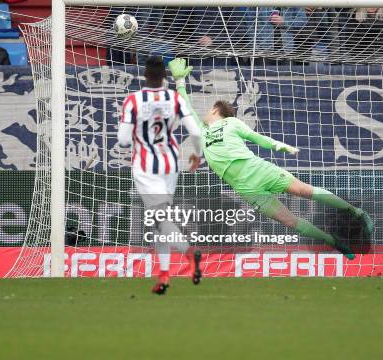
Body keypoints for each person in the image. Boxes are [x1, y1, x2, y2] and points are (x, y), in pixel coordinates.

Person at [169, 58, 374, 260]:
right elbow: (185, 108)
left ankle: (356, 212)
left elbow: (257, 138)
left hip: (259, 170)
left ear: (216, 109)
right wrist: (179, 81)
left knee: (305, 191)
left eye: (208, 110)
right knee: (290, 222)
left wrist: (279, 146)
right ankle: (333, 241)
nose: (204, 114)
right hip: (247, 189)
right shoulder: (202, 132)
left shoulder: (231, 122)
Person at [117, 56, 203, 295]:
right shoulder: (174, 98)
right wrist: (197, 154)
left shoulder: (134, 100)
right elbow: (195, 131)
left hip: (146, 168)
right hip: (170, 165)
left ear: (144, 76)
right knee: (160, 220)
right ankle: (164, 276)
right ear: (164, 77)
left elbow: (123, 140)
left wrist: (137, 131)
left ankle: (189, 253)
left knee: (159, 219)